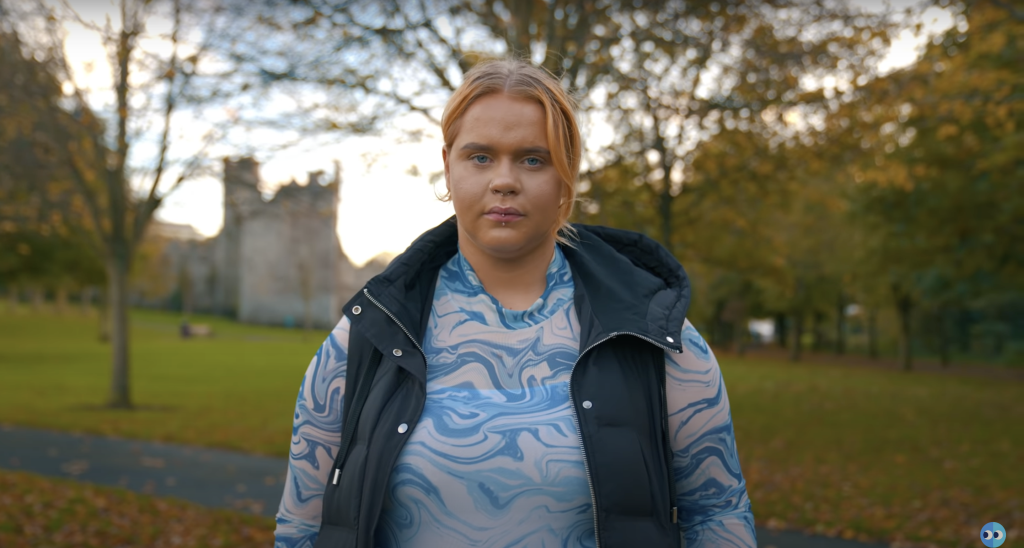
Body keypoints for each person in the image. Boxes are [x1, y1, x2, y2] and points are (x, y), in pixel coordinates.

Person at [274, 59, 756, 548]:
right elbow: (302, 526)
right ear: (448, 165)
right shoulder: (369, 333)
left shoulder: (655, 334)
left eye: (532, 159)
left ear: (567, 175)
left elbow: (718, 513)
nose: (504, 180)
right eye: (480, 157)